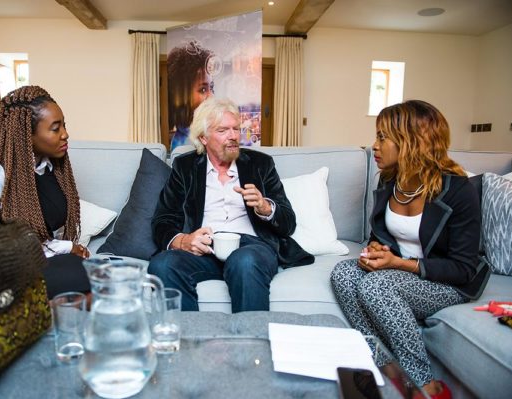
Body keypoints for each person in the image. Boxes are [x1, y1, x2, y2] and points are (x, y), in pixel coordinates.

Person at [330, 100, 489, 399]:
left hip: (447, 281)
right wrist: (379, 250)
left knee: (376, 286)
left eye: (382, 137)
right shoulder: (390, 180)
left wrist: (399, 264)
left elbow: (464, 267)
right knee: (343, 274)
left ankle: (424, 385)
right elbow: (388, 236)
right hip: (402, 272)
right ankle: (388, 368)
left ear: (410, 142)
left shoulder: (458, 190)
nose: (374, 145)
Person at [148, 97, 313, 312]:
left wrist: (265, 207)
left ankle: (250, 343)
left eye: (236, 129)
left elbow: (288, 223)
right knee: (162, 264)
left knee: (244, 261)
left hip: (252, 247)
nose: (234, 136)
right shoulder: (185, 166)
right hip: (206, 249)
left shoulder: (260, 164)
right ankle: (190, 340)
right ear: (203, 138)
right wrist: (183, 241)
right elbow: (163, 219)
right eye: (223, 130)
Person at [0, 85, 90, 299]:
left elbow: (41, 232)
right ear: (26, 135)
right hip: (0, 268)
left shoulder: (48, 166)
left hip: (34, 262)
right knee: (83, 280)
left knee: (91, 274)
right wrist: (66, 248)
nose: (65, 134)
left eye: (64, 125)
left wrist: (68, 250)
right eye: (55, 128)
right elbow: (0, 243)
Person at [167, 41, 214, 152]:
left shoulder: (201, 135)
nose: (211, 97)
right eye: (203, 89)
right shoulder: (185, 146)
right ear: (183, 95)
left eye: (211, 88)